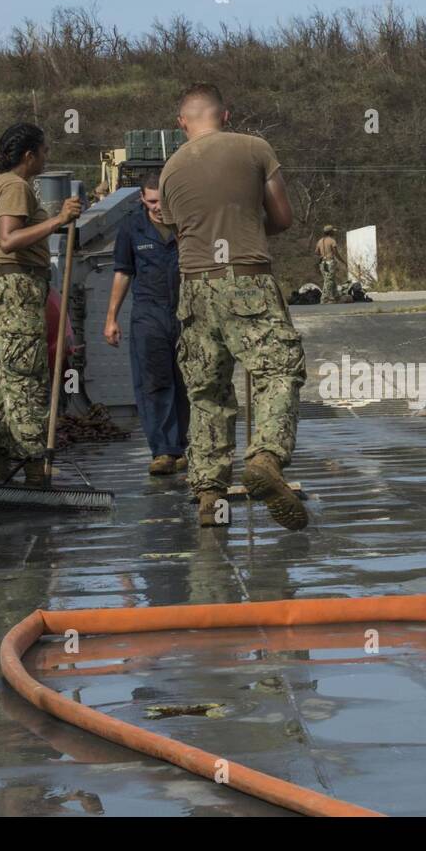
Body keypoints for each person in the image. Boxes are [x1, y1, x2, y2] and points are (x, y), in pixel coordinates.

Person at [158, 83, 308, 530]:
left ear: (181, 123)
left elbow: (175, 230)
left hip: (193, 290)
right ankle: (266, 457)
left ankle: (209, 496)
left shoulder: (169, 169)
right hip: (246, 279)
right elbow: (282, 218)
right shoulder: (254, 148)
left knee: (206, 393)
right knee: (278, 371)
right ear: (225, 114)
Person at [0, 123, 80, 484]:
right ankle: (35, 471)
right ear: (29, 155)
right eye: (44, 151)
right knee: (27, 378)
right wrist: (59, 221)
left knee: (1, 383)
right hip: (18, 288)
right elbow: (9, 240)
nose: (47, 157)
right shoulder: (16, 186)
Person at [103, 173, 190, 476]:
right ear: (141, 199)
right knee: (154, 383)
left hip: (187, 312)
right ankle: (163, 450)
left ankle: (182, 445)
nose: (157, 207)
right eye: (151, 201)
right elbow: (123, 272)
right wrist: (111, 318)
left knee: (188, 381)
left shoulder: (187, 222)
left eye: (162, 200)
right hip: (148, 313)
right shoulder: (131, 228)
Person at [314, 225, 347, 304]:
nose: (334, 232)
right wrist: (343, 261)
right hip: (330, 262)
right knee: (329, 281)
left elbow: (316, 252)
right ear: (330, 232)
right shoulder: (332, 241)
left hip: (322, 263)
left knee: (330, 279)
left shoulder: (320, 241)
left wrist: (322, 255)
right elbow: (336, 253)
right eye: (333, 231)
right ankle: (324, 298)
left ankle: (336, 296)